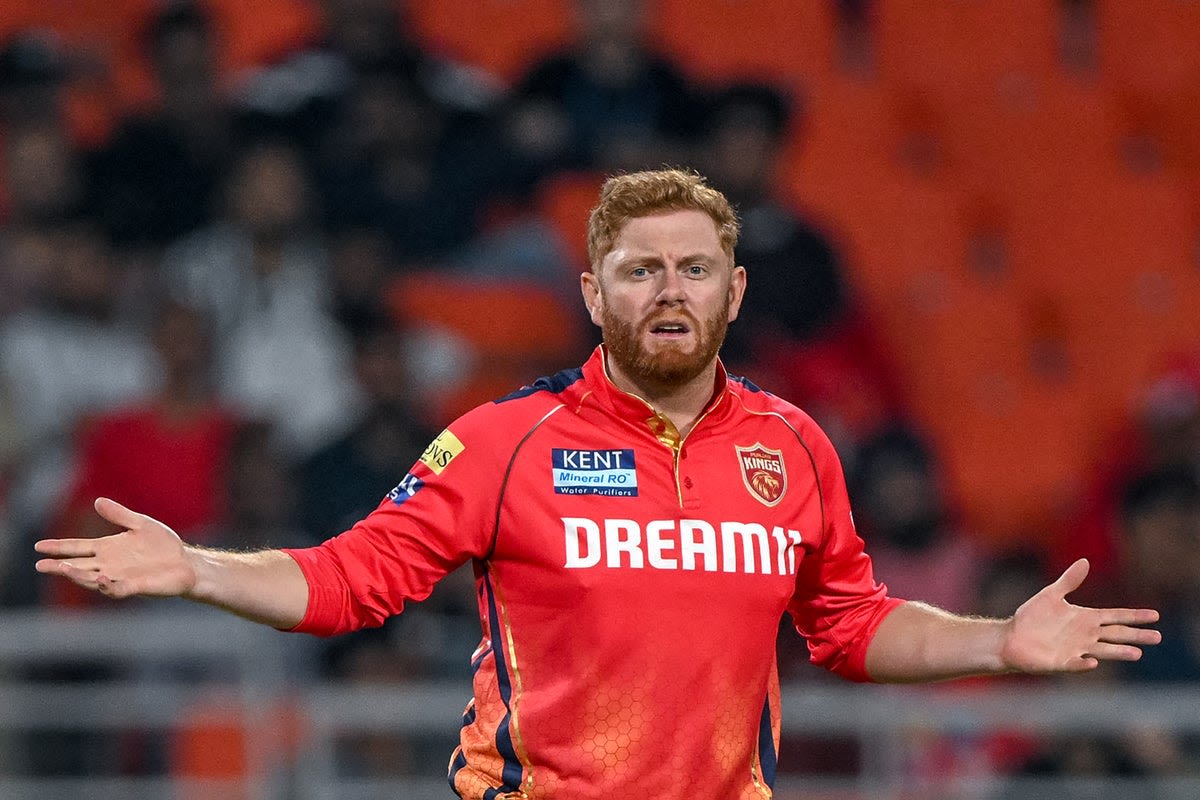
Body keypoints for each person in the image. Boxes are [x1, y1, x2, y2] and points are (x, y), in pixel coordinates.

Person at [34, 169, 1161, 799]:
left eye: (693, 268)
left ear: (734, 289)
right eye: (639, 270)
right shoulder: (503, 438)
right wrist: (195, 566)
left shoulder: (796, 448)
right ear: (590, 292)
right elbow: (353, 578)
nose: (668, 291)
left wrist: (995, 643)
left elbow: (850, 623)